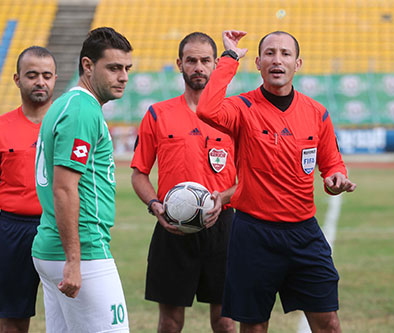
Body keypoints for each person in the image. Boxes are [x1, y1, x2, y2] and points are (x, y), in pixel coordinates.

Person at [197, 30, 356, 332]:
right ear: (257, 62)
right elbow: (207, 109)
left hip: (304, 233)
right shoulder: (242, 108)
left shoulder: (317, 112)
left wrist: (336, 178)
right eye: (269, 53)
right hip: (254, 233)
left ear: (298, 63)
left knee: (329, 324)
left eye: (285, 54)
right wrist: (229, 58)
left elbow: (331, 162)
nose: (277, 60)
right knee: (254, 327)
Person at [131, 32, 237, 332]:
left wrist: (224, 197)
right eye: (191, 60)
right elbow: (139, 173)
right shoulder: (158, 114)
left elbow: (251, 179)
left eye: (205, 61)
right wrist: (154, 204)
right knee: (170, 322)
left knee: (226, 322)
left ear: (216, 64)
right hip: (172, 228)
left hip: (223, 227)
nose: (198, 67)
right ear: (180, 64)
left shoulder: (233, 115)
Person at [32, 27, 132, 332]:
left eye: (127, 69)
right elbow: (64, 189)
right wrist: (74, 260)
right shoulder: (81, 111)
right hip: (83, 251)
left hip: (53, 248)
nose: (123, 77)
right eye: (114, 68)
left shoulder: (66, 103)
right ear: (88, 66)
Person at [0, 46, 56, 333]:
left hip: (60, 227)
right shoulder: (2, 127)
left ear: (55, 79)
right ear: (17, 79)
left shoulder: (67, 124)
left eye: (46, 75)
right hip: (12, 229)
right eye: (32, 75)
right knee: (13, 318)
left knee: (71, 315)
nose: (40, 82)